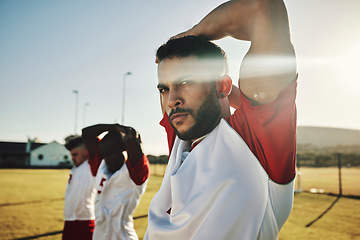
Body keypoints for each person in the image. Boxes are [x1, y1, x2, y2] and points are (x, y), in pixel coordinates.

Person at [145, 0, 297, 239]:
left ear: (223, 86)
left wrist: (192, 34)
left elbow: (262, 7)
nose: (171, 99)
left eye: (185, 82)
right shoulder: (181, 136)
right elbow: (212, 96)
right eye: (163, 89)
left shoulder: (254, 141)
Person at [82, 124, 150, 240]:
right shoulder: (101, 166)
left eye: (111, 153)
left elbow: (132, 141)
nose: (107, 159)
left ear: (123, 150)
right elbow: (87, 133)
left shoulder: (135, 173)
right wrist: (114, 127)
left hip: (122, 236)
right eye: (104, 155)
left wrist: (129, 136)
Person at [62, 135, 102, 240]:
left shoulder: (90, 166)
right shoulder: (75, 167)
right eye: (71, 155)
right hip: (69, 220)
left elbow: (96, 142)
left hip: (84, 221)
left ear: (86, 152)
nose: (72, 158)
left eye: (75, 154)